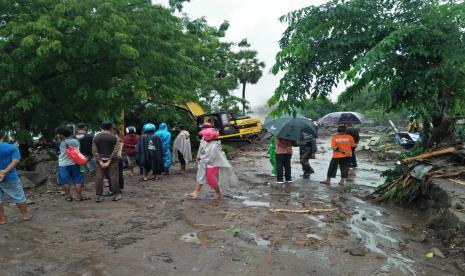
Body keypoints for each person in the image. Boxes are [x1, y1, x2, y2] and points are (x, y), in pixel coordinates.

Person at [0, 130, 32, 225]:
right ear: (3, 136)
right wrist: (5, 171)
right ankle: (25, 215)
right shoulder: (12, 148)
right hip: (10, 177)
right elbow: (15, 161)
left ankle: (2, 220)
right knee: (18, 196)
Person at [196, 128, 231, 200]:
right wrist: (202, 157)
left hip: (213, 164)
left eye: (205, 135)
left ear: (210, 136)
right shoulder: (212, 144)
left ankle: (218, 193)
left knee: (211, 179)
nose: (204, 137)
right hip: (212, 163)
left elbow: (211, 157)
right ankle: (217, 192)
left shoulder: (213, 145)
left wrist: (202, 158)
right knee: (210, 179)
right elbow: (208, 154)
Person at [55, 126, 87, 201]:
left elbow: (57, 152)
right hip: (76, 163)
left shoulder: (59, 143)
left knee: (65, 181)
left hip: (63, 164)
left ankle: (68, 197)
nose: (58, 135)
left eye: (59, 134)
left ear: (62, 134)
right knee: (78, 180)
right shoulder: (77, 141)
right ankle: (79, 196)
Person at [92, 121, 121, 202]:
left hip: (99, 161)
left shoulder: (96, 137)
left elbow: (94, 150)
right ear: (111, 127)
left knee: (99, 178)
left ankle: (98, 196)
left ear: (101, 127)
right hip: (112, 161)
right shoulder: (115, 137)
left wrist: (100, 161)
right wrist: (109, 161)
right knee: (113, 178)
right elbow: (115, 151)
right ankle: (116, 195)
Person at [188, 123, 212, 199]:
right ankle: (195, 192)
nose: (201, 129)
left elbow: (208, 150)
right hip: (203, 160)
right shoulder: (205, 137)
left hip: (205, 160)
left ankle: (195, 192)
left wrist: (201, 157)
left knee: (202, 176)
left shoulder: (209, 138)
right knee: (202, 176)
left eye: (202, 128)